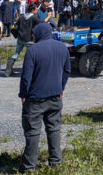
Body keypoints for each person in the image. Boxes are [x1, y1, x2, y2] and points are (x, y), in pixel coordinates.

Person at [19, 23, 71, 171]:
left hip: (35, 98)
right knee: (54, 129)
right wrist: (61, 87)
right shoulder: (62, 47)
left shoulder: (32, 50)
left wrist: (23, 94)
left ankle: (29, 166)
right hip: (55, 96)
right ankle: (55, 162)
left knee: (33, 131)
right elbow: (67, 70)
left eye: (34, 35)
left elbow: (26, 77)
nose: (33, 37)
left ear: (38, 34)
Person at [7, 3, 40, 77]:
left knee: (16, 53)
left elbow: (16, 25)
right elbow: (40, 24)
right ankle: (28, 71)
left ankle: (8, 70)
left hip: (20, 38)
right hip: (29, 39)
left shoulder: (21, 17)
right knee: (31, 55)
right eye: (36, 9)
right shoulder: (34, 18)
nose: (37, 11)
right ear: (32, 10)